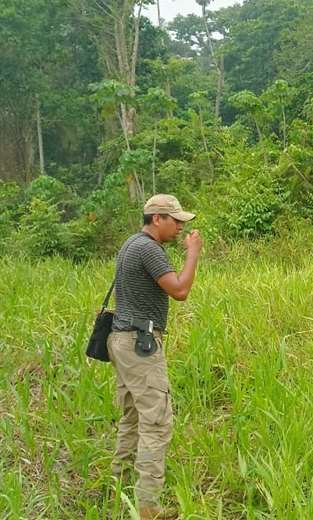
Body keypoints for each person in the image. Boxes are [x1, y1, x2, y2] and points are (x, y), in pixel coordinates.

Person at [107, 194, 202, 520]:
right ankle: (148, 508)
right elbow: (180, 290)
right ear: (157, 218)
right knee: (157, 422)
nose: (179, 227)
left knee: (132, 418)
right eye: (176, 221)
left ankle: (118, 493)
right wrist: (193, 254)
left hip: (123, 339)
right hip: (140, 343)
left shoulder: (130, 244)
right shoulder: (148, 248)